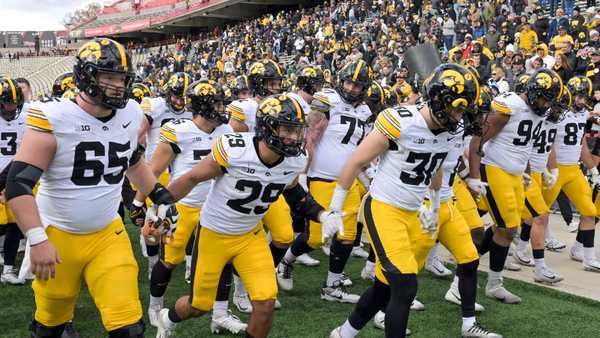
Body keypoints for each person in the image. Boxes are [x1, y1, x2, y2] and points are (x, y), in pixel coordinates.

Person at [6, 38, 178, 338]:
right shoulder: (55, 116)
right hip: (58, 235)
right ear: (86, 76)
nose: (117, 85)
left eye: (122, 78)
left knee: (129, 328)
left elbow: (133, 161)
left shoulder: (131, 113)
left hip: (107, 234)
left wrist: (160, 196)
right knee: (50, 326)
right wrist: (36, 239)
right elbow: (18, 183)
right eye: (108, 76)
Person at [154, 95, 342, 338]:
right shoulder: (235, 149)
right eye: (287, 129)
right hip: (214, 234)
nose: (294, 138)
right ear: (267, 127)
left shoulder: (294, 160)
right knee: (198, 305)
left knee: (265, 303)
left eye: (298, 131)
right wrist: (160, 209)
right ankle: (167, 318)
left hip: (249, 236)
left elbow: (295, 193)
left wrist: (323, 215)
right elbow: (191, 178)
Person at [328, 64, 485, 338]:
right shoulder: (400, 120)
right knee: (405, 283)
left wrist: (435, 206)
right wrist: (334, 208)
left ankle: (344, 333)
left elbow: (435, 166)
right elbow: (356, 160)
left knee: (384, 288)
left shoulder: (448, 130)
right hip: (383, 208)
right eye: (456, 108)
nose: (459, 116)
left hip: (412, 212)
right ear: (438, 98)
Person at [467, 68, 564, 304]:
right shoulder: (508, 106)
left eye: (548, 100)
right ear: (532, 91)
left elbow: (525, 145)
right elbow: (478, 139)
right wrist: (473, 175)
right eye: (542, 97)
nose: (544, 104)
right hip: (495, 168)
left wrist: (527, 171)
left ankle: (485, 277)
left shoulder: (538, 112)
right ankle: (475, 276)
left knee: (507, 228)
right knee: (507, 227)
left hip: (515, 173)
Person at [0, 78, 26, 285]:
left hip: (16, 176)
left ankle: (8, 269)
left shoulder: (25, 117)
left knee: (15, 224)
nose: (13, 107)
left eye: (15, 102)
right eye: (9, 102)